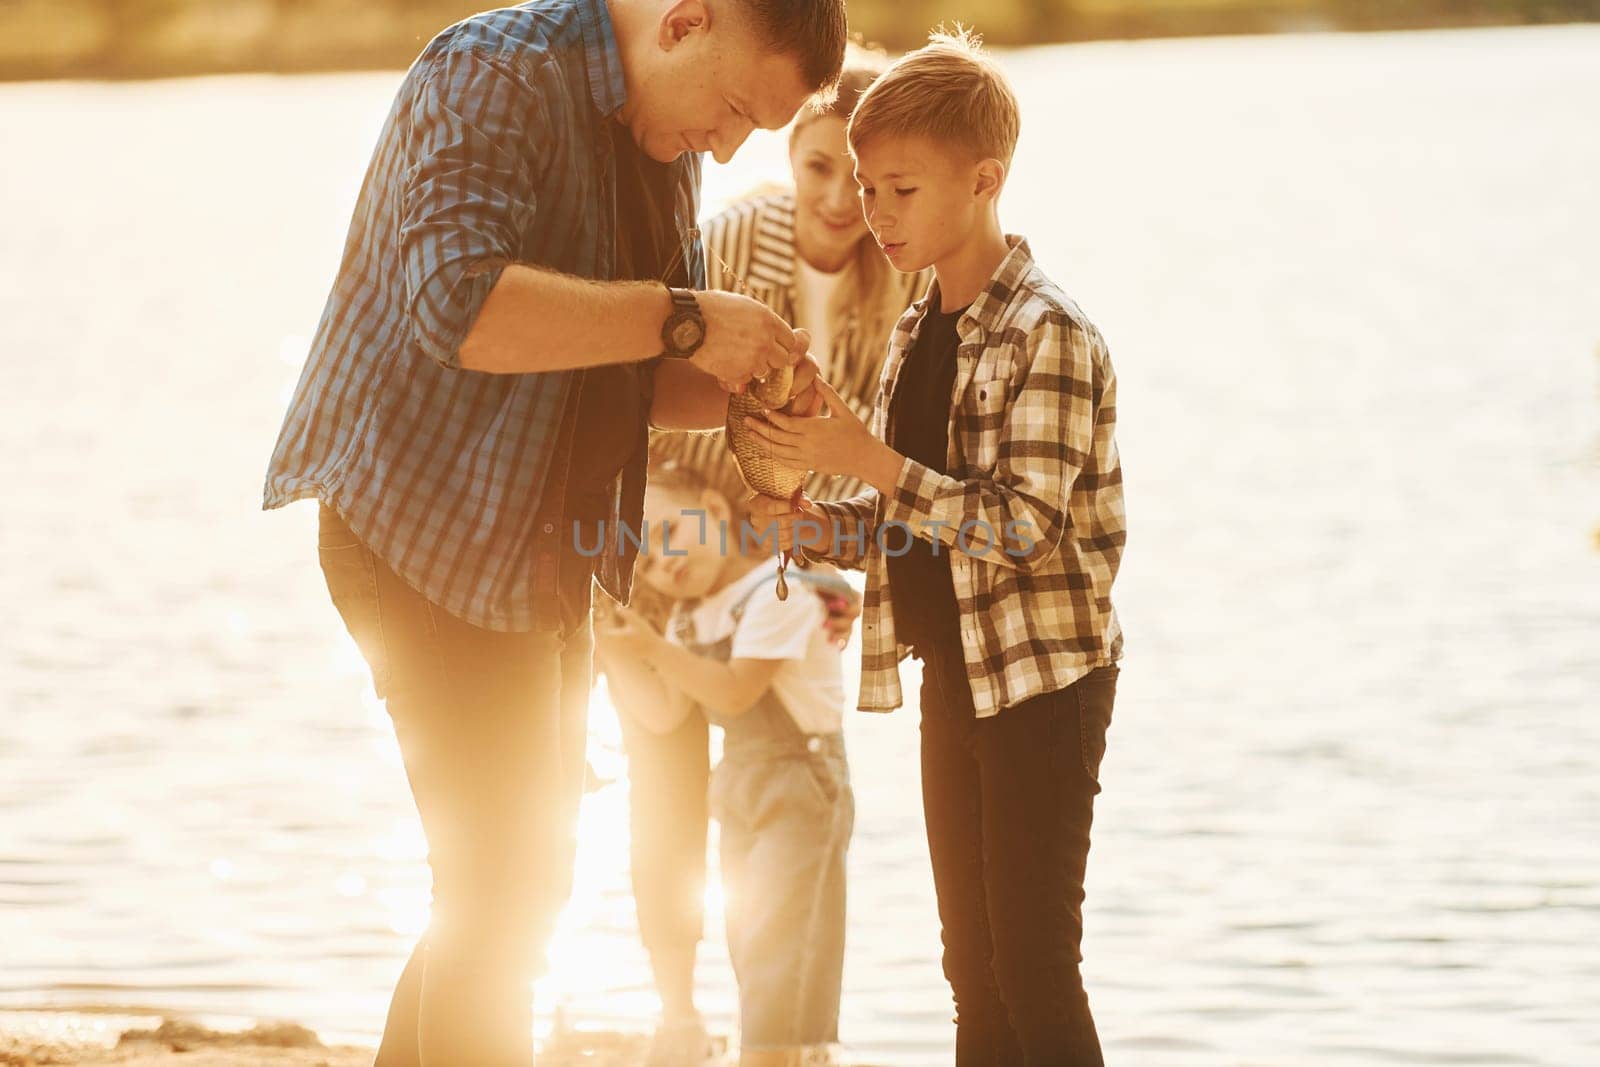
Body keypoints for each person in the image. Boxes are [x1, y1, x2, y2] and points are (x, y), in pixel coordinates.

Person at [260, 1, 847, 1064]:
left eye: (749, 132)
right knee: (506, 890)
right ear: (686, 21)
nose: (727, 146)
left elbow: (624, 362)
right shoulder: (490, 72)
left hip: (547, 556)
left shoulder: (662, 135)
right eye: (730, 111)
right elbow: (460, 308)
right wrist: (684, 318)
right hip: (419, 533)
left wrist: (737, 394)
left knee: (504, 889)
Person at [745, 28, 1127, 1066]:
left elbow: (1015, 527)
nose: (873, 213)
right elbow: (921, 514)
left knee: (1035, 961)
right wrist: (826, 524)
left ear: (984, 179)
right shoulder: (925, 320)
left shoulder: (1046, 330)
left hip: (1043, 683)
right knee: (970, 966)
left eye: (899, 190)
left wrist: (861, 457)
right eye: (866, 187)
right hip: (955, 673)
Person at [609, 52, 929, 1065]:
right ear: (793, 159)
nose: (839, 198)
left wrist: (837, 574)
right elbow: (647, 377)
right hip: (670, 526)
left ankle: (783, 1030)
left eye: (860, 176)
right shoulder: (737, 234)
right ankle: (676, 1009)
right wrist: (667, 522)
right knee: (663, 775)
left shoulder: (898, 271)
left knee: (780, 771)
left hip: (783, 558)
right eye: (818, 168)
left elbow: (870, 445)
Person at [595, 463, 855, 1067]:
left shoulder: (780, 588)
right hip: (739, 786)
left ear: (714, 509)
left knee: (782, 947)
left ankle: (773, 1056)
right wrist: (612, 648)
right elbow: (663, 711)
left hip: (802, 783)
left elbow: (736, 691)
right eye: (649, 564)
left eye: (666, 537)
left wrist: (653, 647)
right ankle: (785, 1054)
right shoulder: (691, 620)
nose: (663, 563)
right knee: (752, 941)